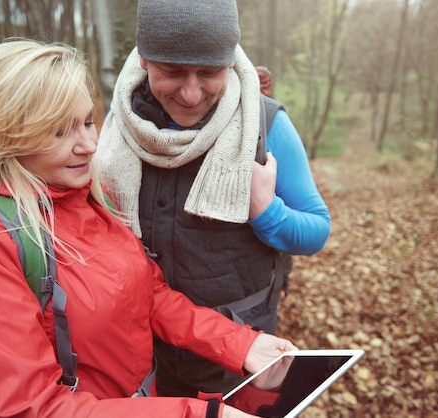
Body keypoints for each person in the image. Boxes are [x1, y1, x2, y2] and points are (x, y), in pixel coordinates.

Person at [0, 38, 296, 418]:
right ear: (4, 136)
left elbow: (150, 296)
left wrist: (243, 345)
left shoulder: (92, 195)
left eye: (88, 121)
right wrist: (202, 414)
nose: (89, 144)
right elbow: (32, 407)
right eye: (59, 131)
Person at [94, 0, 331, 399]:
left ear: (229, 62)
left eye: (209, 73)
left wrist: (265, 211)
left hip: (239, 356)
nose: (191, 93)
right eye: (172, 72)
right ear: (145, 60)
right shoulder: (121, 124)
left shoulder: (266, 125)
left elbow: (317, 230)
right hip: (141, 348)